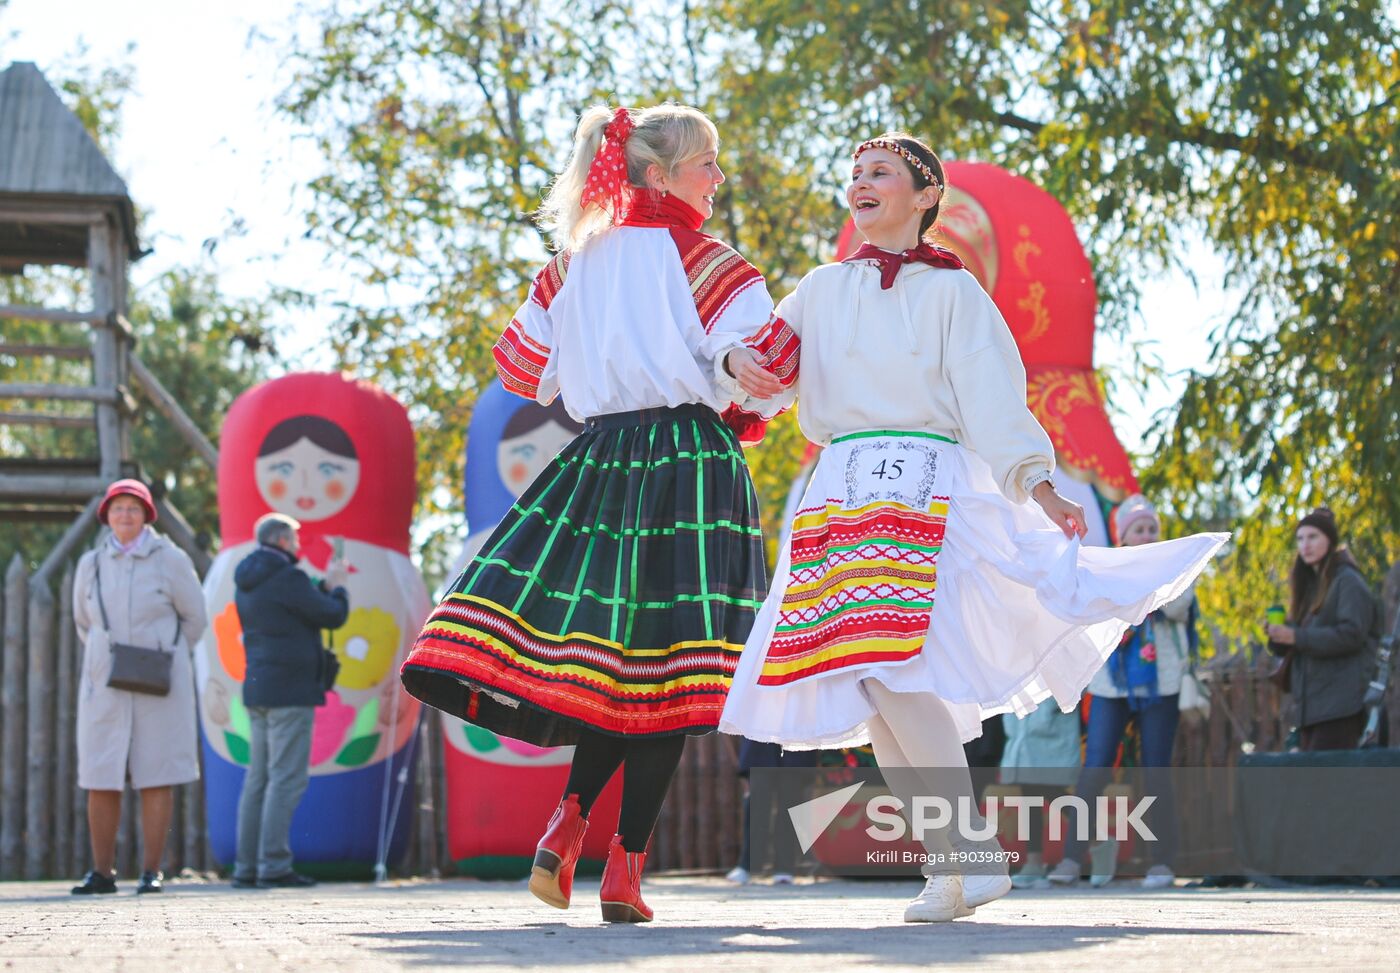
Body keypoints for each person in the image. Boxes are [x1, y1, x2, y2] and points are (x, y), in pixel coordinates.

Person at [719, 132, 1229, 923]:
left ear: (926, 197)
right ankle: (950, 866)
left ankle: (971, 851)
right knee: (875, 691)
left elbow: (995, 398)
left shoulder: (954, 294)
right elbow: (767, 365)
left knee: (894, 671)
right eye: (854, 173)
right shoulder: (817, 290)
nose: (862, 182)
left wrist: (1039, 483)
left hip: (918, 486)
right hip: (838, 495)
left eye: (881, 172)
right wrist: (735, 369)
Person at [399, 104, 785, 923]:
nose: (718, 177)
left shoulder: (574, 263)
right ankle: (624, 871)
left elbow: (522, 369)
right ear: (659, 174)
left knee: (610, 665)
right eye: (707, 163)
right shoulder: (710, 261)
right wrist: (720, 362)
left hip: (604, 461)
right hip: (688, 463)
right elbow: (766, 371)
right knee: (672, 674)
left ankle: (568, 824)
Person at [1048, 495, 1198, 889]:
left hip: (1160, 680)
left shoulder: (1173, 564)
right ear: (1124, 536)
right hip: (1111, 681)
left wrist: (1148, 585)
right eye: (1139, 529)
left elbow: (1180, 607)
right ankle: (1070, 858)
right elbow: (1096, 605)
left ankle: (1162, 862)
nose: (1147, 535)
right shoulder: (1109, 567)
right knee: (1095, 767)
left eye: (1152, 528)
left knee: (1155, 769)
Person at [71, 479, 208, 895]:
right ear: (106, 516)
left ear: (147, 514)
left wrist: (160, 656)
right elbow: (84, 622)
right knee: (101, 773)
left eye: (133, 508)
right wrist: (108, 660)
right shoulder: (91, 563)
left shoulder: (170, 559)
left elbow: (195, 619)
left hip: (161, 682)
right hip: (106, 685)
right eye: (117, 509)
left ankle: (151, 871)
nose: (125, 515)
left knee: (156, 772)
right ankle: (102, 872)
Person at [231, 512, 350, 889]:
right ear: (282, 541)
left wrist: (319, 585)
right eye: (295, 540)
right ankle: (274, 865)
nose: (298, 546)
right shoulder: (288, 577)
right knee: (286, 779)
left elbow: (293, 607)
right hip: (290, 692)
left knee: (259, 779)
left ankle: (246, 867)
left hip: (258, 688)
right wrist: (338, 587)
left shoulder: (249, 578)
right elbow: (332, 615)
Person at [1266, 507, 1378, 752]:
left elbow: (1352, 635)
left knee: (1327, 787)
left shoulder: (1348, 581)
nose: (1305, 544)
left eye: (1313, 536)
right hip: (1312, 710)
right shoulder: (1312, 587)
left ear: (1330, 540)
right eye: (1300, 538)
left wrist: (1296, 636)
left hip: (1341, 706)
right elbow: (1304, 642)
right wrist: (1280, 636)